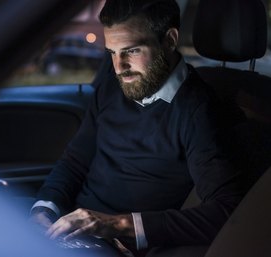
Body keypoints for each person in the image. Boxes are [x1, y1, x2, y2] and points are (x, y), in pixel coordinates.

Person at [30, 0, 244, 256]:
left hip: (114, 245)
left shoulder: (198, 110)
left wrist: (118, 225)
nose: (119, 68)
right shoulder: (111, 86)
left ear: (170, 39)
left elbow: (228, 211)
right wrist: (44, 211)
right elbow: (75, 162)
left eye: (131, 51)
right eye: (111, 52)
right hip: (67, 229)